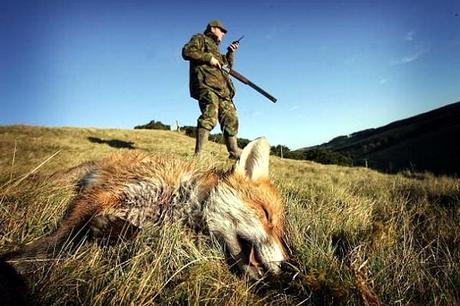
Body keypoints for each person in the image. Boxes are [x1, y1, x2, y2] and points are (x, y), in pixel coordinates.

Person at [182, 20, 241, 159]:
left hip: (223, 90)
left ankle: (234, 153)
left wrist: (230, 52)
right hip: (207, 85)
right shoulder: (199, 38)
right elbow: (187, 51)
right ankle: (198, 155)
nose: (223, 34)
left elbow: (227, 68)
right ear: (213, 28)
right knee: (210, 116)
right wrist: (208, 58)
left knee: (231, 119)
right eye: (222, 30)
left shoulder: (217, 50)